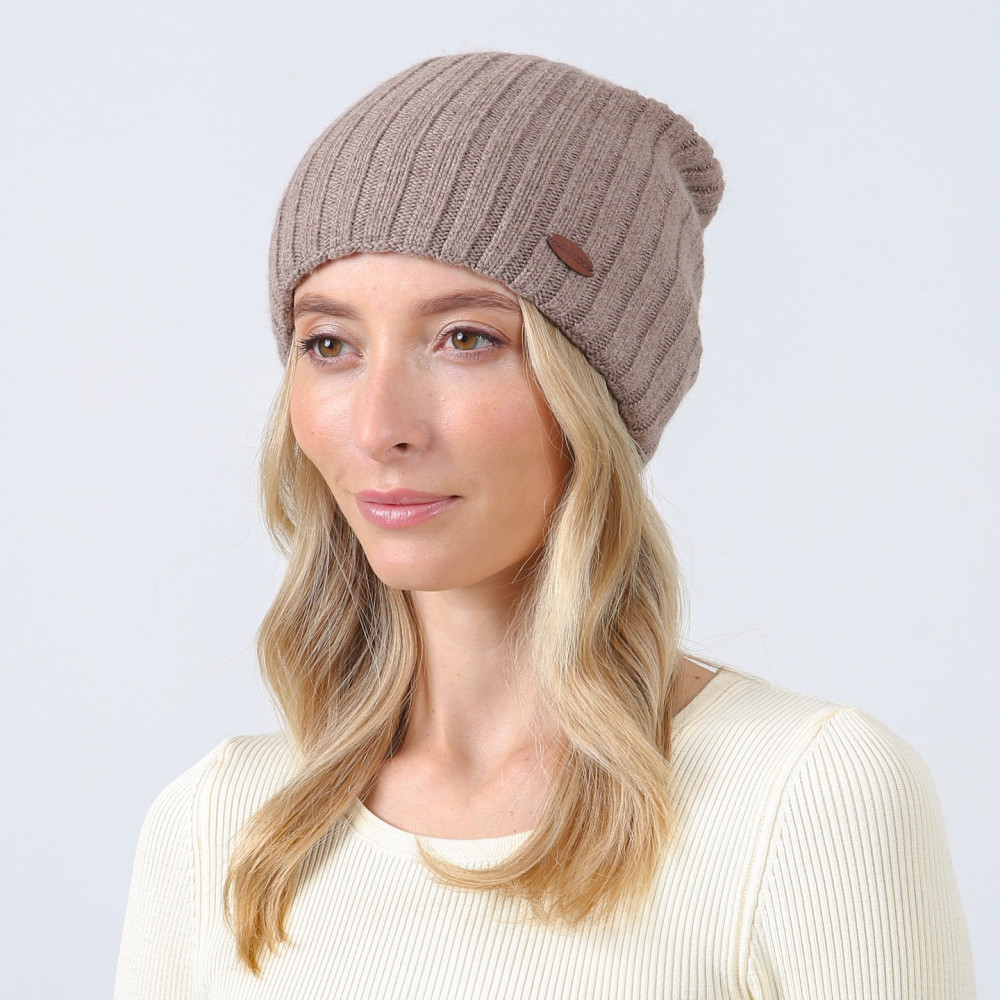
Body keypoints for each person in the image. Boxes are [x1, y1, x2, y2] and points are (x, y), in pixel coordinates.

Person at [114, 52, 975, 998]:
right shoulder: (222, 825)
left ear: (595, 396)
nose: (378, 427)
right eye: (330, 344)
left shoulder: (808, 794)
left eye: (467, 339)